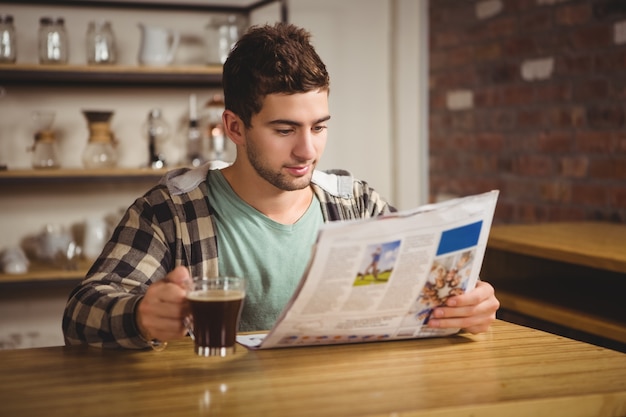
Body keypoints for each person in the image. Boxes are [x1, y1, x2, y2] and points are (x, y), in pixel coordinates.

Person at [62, 22, 500, 349]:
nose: (307, 151)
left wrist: (467, 304)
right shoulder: (169, 212)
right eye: (285, 130)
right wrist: (139, 315)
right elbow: (81, 312)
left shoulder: (357, 203)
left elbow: (426, 288)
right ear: (235, 127)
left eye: (320, 127)